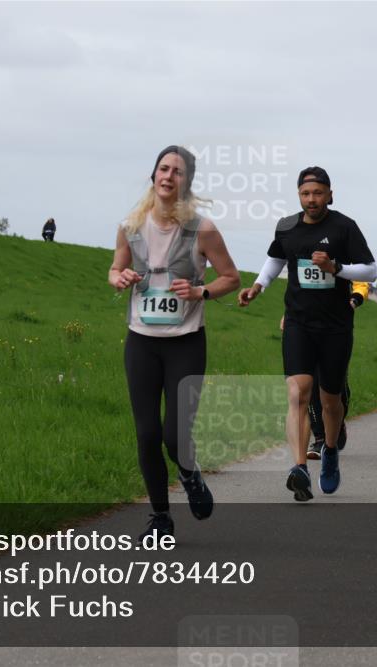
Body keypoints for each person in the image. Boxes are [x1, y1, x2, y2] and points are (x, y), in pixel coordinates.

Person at [109, 145, 241, 544]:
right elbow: (116, 268)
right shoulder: (130, 226)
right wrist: (118, 277)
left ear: (187, 182)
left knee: (173, 435)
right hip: (142, 342)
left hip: (185, 342)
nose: (168, 176)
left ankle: (188, 471)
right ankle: (160, 517)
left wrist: (200, 291)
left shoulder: (202, 229)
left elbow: (231, 277)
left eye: (177, 172)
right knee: (147, 433)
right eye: (163, 169)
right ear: (154, 176)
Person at [239, 166, 376, 500]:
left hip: (335, 326)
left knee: (330, 399)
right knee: (298, 392)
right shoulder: (287, 226)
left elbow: (370, 270)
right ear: (298, 195)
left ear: (329, 194)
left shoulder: (345, 227)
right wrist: (258, 286)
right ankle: (299, 467)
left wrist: (336, 268)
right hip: (298, 323)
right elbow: (275, 259)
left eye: (317, 193)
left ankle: (329, 451)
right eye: (305, 193)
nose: (311, 199)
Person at [303, 281, 368, 460]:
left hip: (337, 329)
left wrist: (354, 301)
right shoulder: (307, 257)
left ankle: (337, 426)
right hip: (307, 326)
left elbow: (361, 284)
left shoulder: (346, 260)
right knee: (310, 383)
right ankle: (320, 439)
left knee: (336, 387)